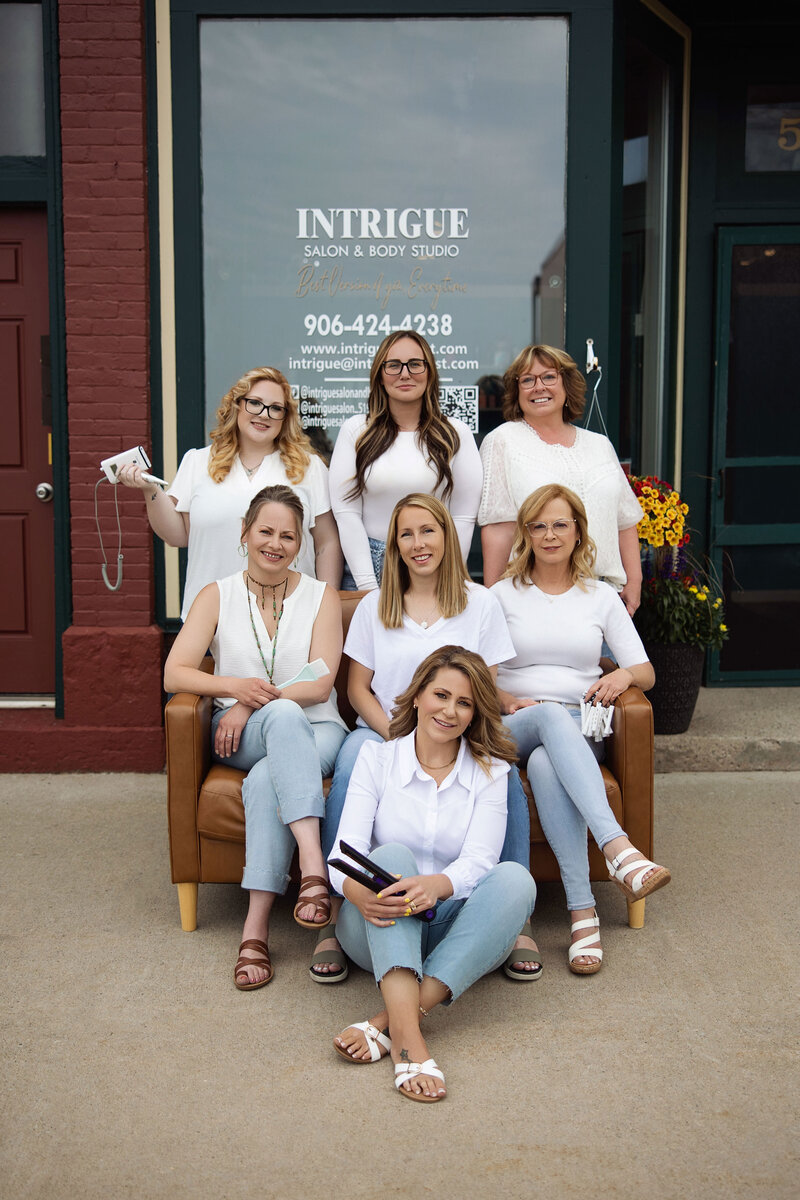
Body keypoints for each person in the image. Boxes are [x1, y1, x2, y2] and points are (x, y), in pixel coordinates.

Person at [310, 493, 536, 983]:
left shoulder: (480, 603)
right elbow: (357, 688)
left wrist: (489, 714)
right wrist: (400, 739)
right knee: (352, 764)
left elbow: (483, 687)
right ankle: (334, 912)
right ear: (393, 545)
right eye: (406, 534)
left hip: (456, 729)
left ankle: (518, 920)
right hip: (385, 727)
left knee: (503, 767)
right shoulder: (374, 606)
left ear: (447, 536)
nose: (418, 543)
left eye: (427, 531)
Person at [329, 646, 536, 1103]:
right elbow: (343, 854)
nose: (450, 710)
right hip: (376, 924)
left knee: (516, 880)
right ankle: (410, 1044)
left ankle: (391, 1023)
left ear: (475, 712)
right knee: (395, 855)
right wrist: (360, 895)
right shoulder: (376, 760)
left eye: (464, 703)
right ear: (418, 695)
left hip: (450, 929)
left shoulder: (491, 772)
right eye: (441, 695)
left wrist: (435, 886)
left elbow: (481, 861)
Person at [163, 485, 347, 989]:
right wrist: (231, 687)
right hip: (244, 738)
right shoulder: (216, 594)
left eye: (288, 535)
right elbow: (174, 673)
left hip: (319, 731)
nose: (276, 542)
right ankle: (313, 867)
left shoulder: (321, 596)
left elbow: (322, 682)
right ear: (244, 534)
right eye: (265, 531)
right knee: (282, 719)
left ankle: (255, 928)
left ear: (299, 543)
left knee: (271, 775)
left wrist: (247, 703)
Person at [491, 484, 670, 974]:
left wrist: (621, 674)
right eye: (539, 525)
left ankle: (582, 912)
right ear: (526, 534)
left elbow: (647, 672)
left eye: (560, 524)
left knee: (549, 763)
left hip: (578, 724)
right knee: (546, 716)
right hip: (515, 723)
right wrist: (506, 699)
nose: (550, 535)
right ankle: (619, 849)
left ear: (578, 533)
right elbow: (478, 677)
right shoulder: (500, 595)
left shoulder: (600, 598)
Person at [118, 366, 342, 618]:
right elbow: (178, 536)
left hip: (289, 617)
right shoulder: (198, 462)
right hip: (209, 620)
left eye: (275, 408)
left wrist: (327, 607)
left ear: (285, 417)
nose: (264, 414)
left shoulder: (308, 467)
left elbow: (326, 543)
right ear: (236, 406)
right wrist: (151, 490)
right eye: (254, 403)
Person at [478, 345, 643, 614]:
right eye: (527, 380)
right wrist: (495, 600)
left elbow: (625, 521)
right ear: (516, 391)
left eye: (549, 377)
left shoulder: (600, 444)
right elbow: (498, 527)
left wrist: (634, 582)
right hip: (533, 600)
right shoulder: (503, 441)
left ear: (566, 384)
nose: (538, 387)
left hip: (607, 599)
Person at [329, 330, 482, 590]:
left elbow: (463, 517)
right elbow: (346, 513)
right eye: (393, 365)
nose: (405, 373)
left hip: (435, 568)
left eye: (415, 364)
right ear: (379, 374)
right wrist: (367, 586)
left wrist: (450, 574)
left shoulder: (455, 433)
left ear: (429, 372)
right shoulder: (356, 430)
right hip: (367, 570)